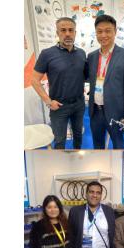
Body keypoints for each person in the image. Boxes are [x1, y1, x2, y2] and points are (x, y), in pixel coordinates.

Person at [31, 17, 87, 149]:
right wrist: (48, 101)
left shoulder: (81, 53)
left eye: (71, 30)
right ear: (57, 33)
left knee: (78, 136)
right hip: (59, 106)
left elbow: (83, 75)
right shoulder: (47, 54)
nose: (67, 34)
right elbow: (34, 80)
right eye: (63, 30)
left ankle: (77, 158)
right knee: (60, 140)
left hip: (79, 104)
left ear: (75, 33)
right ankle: (60, 160)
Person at [87, 15, 124, 149]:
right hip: (95, 111)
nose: (103, 35)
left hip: (116, 111)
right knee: (97, 144)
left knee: (118, 144)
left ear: (115, 31)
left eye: (108, 31)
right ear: (96, 33)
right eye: (99, 31)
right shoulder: (91, 56)